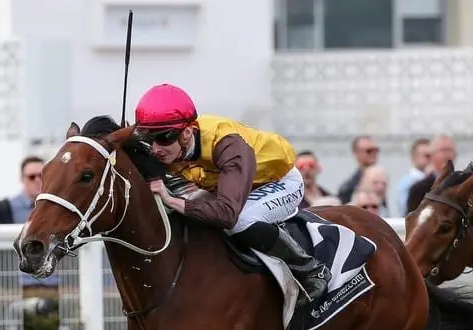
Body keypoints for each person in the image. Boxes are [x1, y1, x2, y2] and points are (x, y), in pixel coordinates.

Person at [133, 83, 331, 304]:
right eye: (148, 139)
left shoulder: (226, 143)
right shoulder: (167, 143)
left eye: (163, 138)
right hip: (227, 186)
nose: (155, 149)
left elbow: (227, 214)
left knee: (240, 221)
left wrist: (172, 200)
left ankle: (311, 270)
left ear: (187, 133)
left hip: (278, 181)